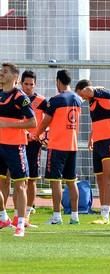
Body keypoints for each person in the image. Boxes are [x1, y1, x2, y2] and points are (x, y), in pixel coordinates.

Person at [33, 69, 82, 226]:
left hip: (57, 145)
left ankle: (57, 216)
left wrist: (36, 134)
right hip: (72, 145)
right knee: (71, 181)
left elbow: (46, 121)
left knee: (55, 181)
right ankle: (74, 216)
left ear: (58, 81)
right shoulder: (77, 99)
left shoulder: (56, 100)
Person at [75, 79, 110, 225]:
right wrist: (91, 137)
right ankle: (103, 213)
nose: (81, 98)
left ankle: (106, 215)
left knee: (108, 178)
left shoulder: (103, 94)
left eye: (80, 94)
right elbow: (96, 122)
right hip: (98, 142)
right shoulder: (91, 102)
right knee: (100, 179)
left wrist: (84, 91)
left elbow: (88, 90)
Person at [0, 63, 36, 237]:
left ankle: (20, 223)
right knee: (1, 184)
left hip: (15, 147)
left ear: (14, 77)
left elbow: (32, 122)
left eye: (5, 72)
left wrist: (7, 124)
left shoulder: (20, 97)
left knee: (20, 185)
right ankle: (3, 217)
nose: (1, 73)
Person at [15, 70, 45, 228]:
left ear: (35, 84)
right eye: (26, 84)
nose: (28, 87)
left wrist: (45, 134)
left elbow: (51, 118)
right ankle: (15, 215)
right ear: (21, 83)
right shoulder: (16, 98)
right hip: (17, 142)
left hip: (34, 144)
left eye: (31, 84)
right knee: (18, 180)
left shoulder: (41, 101)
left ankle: (26, 216)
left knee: (32, 180)